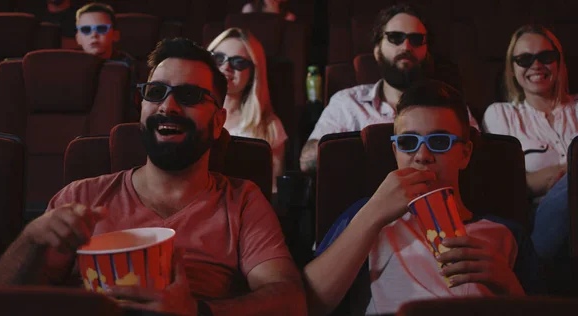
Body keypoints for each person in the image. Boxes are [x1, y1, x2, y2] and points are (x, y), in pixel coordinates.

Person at [0, 38, 305, 316]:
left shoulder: (242, 200)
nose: (168, 106)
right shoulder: (80, 197)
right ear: (141, 107)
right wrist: (29, 240)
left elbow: (290, 300)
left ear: (219, 119)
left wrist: (199, 312)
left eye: (190, 95)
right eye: (156, 92)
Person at [304, 80, 536, 316]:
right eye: (408, 142)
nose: (423, 156)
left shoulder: (507, 233)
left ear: (465, 155)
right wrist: (373, 213)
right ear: (395, 152)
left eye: (439, 142)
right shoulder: (366, 214)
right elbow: (308, 304)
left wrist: (508, 284)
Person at [299, 4, 478, 173]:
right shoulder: (346, 102)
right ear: (377, 50)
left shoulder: (450, 105)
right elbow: (307, 162)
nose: (406, 47)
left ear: (427, 52)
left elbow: (479, 158)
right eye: (395, 37)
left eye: (416, 39)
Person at [482, 25, 574, 260]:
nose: (536, 65)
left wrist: (553, 175)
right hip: (540, 217)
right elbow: (510, 184)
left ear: (559, 62)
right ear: (512, 69)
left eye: (545, 57)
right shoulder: (501, 115)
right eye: (524, 59)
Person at [208, 28, 288, 193]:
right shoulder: (189, 114)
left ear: (253, 73)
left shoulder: (270, 126)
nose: (226, 67)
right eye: (218, 58)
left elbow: (273, 191)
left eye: (238, 62)